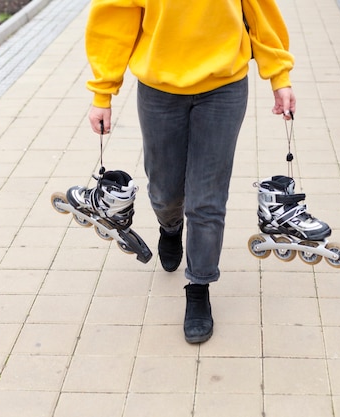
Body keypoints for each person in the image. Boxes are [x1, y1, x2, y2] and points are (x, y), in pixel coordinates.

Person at [85, 0, 296, 343]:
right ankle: (170, 226)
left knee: (207, 199)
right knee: (165, 191)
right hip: (159, 92)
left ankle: (199, 285)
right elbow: (114, 20)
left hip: (224, 88)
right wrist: (102, 93)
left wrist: (279, 77)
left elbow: (261, 12)